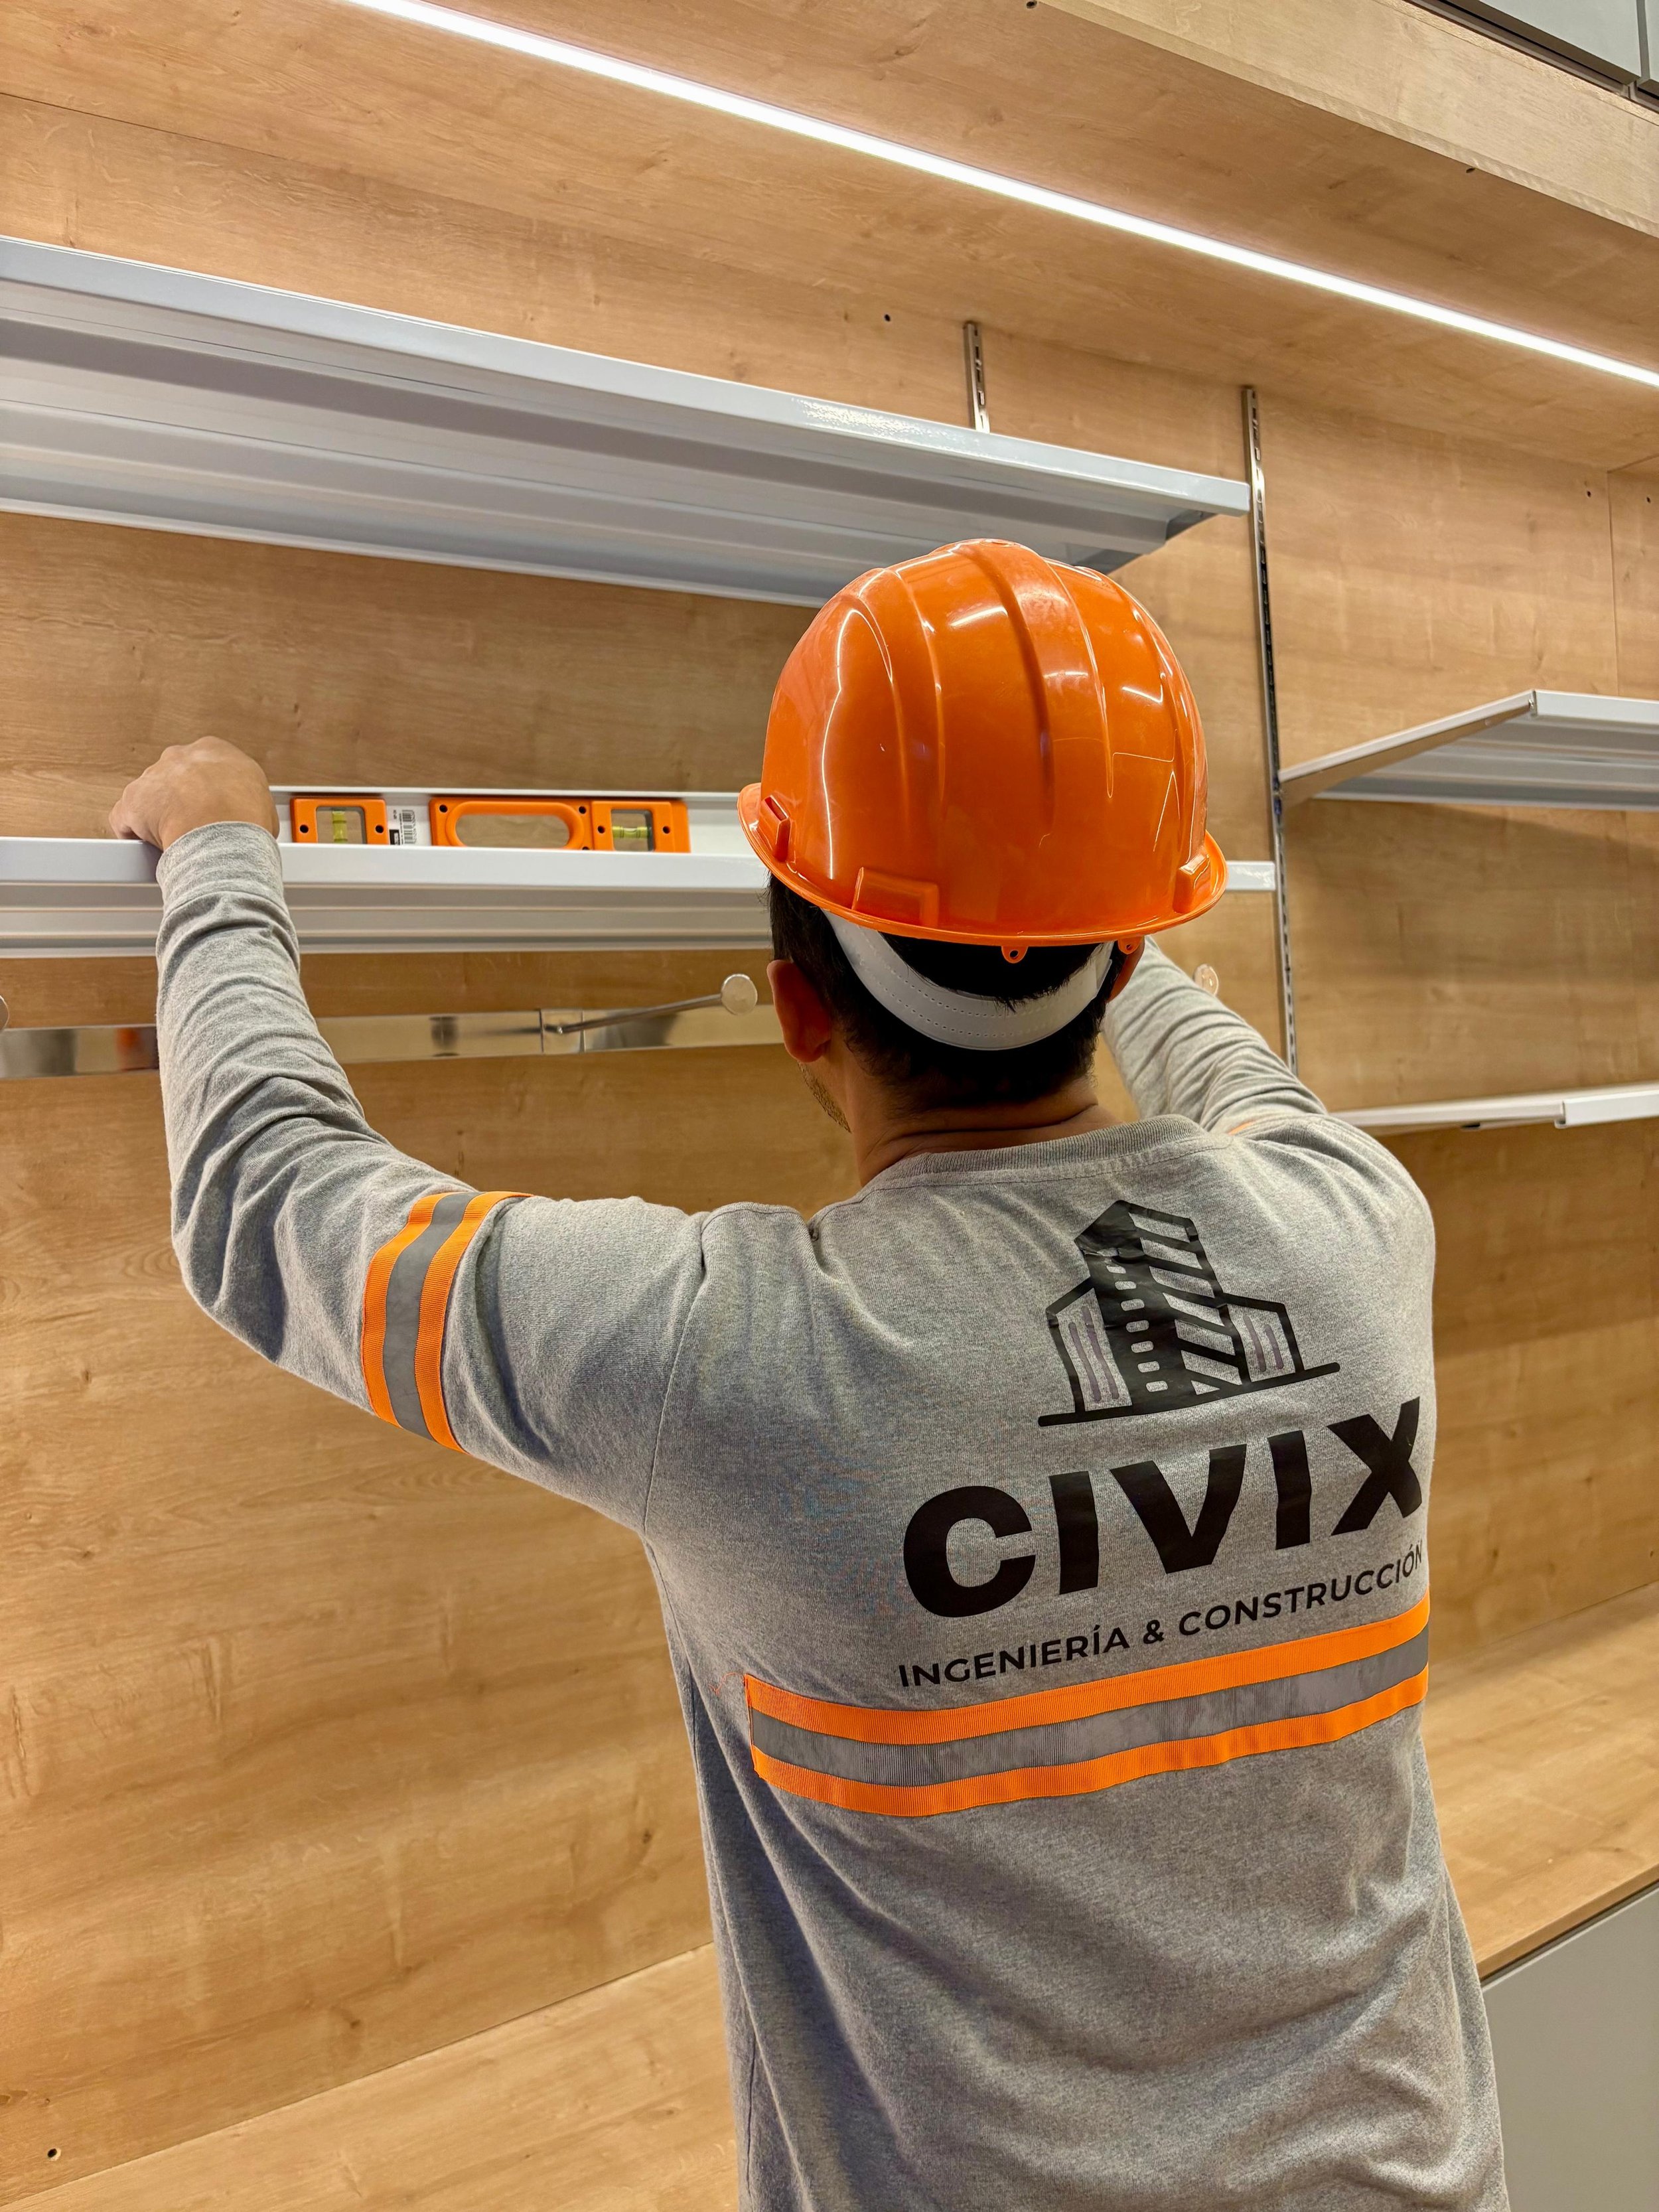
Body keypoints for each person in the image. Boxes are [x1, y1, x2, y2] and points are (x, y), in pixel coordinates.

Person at [112, 539, 1506, 2211]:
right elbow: (1230, 1072)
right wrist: (1077, 905)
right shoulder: (1354, 1229)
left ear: (792, 1004)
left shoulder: (719, 1357)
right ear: (1126, 954)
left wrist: (215, 843)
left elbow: (267, 1197)